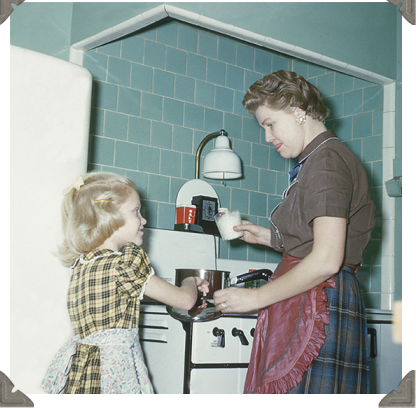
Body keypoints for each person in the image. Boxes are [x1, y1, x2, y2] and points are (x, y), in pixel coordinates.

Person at [213, 70, 375, 394]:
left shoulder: (325, 161)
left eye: (269, 124)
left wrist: (256, 298)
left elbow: (327, 259)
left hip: (320, 300)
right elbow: (317, 239)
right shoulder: (321, 157)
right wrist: (269, 237)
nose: (267, 136)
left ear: (298, 109)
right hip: (320, 297)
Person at [41, 172, 209, 394]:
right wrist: (190, 280)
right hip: (115, 371)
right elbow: (185, 300)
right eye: (136, 211)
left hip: (85, 372)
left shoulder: (82, 265)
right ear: (108, 217)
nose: (144, 220)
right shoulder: (125, 263)